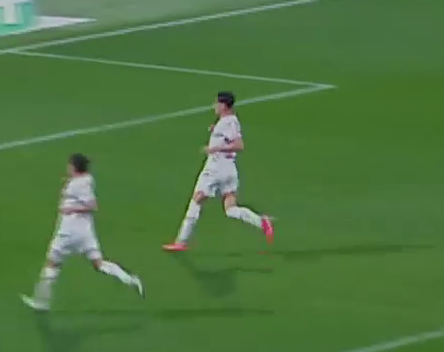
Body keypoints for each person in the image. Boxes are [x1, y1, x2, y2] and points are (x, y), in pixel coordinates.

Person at [22, 153, 144, 312]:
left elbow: (92, 205)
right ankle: (131, 280)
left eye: (69, 165)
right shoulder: (86, 180)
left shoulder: (77, 184)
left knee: (51, 265)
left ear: (74, 166)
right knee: (99, 264)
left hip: (68, 232)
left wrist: (70, 208)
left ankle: (41, 302)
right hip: (85, 232)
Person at [165, 91, 274, 251]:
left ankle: (181, 241)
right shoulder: (230, 121)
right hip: (229, 169)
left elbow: (239, 145)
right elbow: (229, 137)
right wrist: (215, 131)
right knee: (230, 209)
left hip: (216, 169)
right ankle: (261, 222)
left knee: (196, 200)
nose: (214, 106)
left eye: (216, 103)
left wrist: (215, 148)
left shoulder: (228, 122)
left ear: (224, 105)